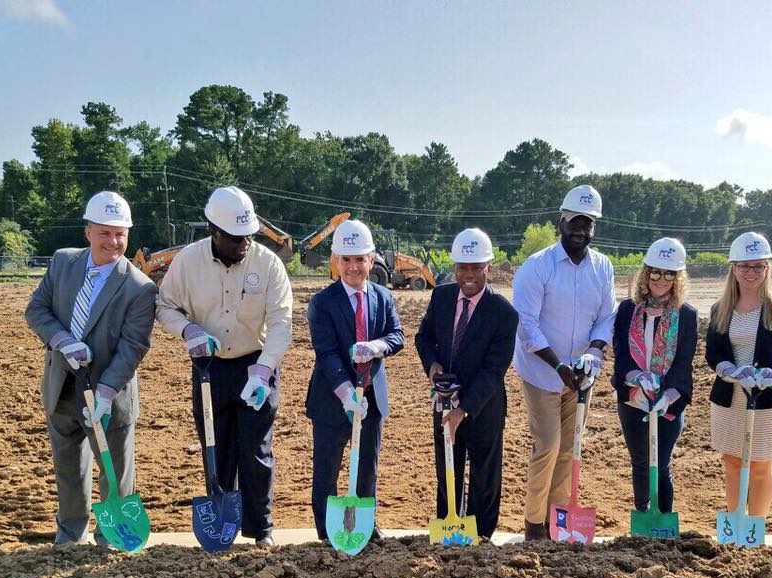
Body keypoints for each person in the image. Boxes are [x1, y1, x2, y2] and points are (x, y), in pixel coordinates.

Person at [156, 186, 293, 546]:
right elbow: (165, 305)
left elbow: (281, 322)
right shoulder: (187, 262)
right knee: (216, 448)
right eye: (234, 238)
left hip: (256, 366)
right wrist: (188, 330)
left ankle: (259, 529)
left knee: (256, 449)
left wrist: (264, 370)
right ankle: (223, 529)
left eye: (248, 236)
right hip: (209, 368)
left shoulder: (268, 264)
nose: (243, 244)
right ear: (213, 232)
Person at [25, 191, 157, 544]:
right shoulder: (63, 263)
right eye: (105, 232)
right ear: (88, 232)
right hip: (62, 388)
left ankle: (113, 538)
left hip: (108, 397)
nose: (113, 242)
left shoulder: (139, 288)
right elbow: (36, 310)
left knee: (113, 470)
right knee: (67, 469)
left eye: (120, 234)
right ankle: (70, 536)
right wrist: (62, 341)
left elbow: (133, 347)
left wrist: (105, 391)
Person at [512, 184, 619, 541]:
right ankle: (533, 526)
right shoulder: (538, 266)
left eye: (587, 223)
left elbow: (607, 317)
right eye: (574, 220)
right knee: (548, 445)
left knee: (569, 449)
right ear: (561, 220)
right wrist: (559, 366)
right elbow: (526, 324)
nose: (580, 228)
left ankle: (557, 522)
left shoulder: (602, 267)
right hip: (542, 373)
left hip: (581, 376)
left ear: (594, 227)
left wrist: (594, 353)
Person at [415, 228, 519, 540]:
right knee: (448, 471)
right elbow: (424, 337)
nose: (469, 275)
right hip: (444, 400)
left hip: (483, 406)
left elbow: (493, 370)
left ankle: (482, 536)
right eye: (463, 267)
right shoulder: (441, 296)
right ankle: (448, 533)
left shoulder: (504, 313)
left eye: (477, 267)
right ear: (455, 267)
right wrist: (432, 366)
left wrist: (464, 409)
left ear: (489, 267)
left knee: (485, 474)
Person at [305, 219, 404, 541]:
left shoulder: (382, 296)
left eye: (359, 259)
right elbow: (327, 352)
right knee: (327, 469)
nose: (352, 267)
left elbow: (397, 335)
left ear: (371, 259)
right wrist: (346, 393)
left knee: (367, 467)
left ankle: (364, 526)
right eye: (346, 260)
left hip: (373, 397)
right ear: (336, 261)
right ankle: (325, 532)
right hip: (332, 399)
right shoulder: (322, 302)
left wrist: (377, 347)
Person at [706, 231, 772, 516]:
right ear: (733, 268)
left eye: (758, 266)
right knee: (732, 461)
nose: (751, 272)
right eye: (744, 266)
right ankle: (736, 522)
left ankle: (755, 529)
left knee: (761, 464)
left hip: (767, 400)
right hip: (730, 399)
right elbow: (714, 355)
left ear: (767, 269)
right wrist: (732, 372)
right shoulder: (720, 309)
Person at [611, 237, 697, 514]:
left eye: (669, 273)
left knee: (660, 463)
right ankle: (642, 515)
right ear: (646, 273)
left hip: (667, 403)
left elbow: (683, 363)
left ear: (677, 277)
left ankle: (661, 521)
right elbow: (621, 354)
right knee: (639, 461)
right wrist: (636, 376)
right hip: (633, 399)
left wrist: (668, 396)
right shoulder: (627, 310)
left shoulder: (686, 315)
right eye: (656, 272)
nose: (661, 279)